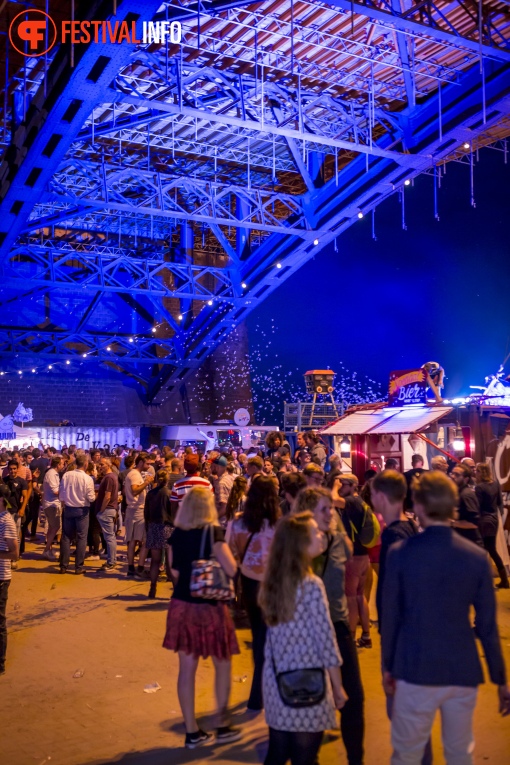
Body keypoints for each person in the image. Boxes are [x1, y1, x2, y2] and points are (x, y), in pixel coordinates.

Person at [381, 471, 510, 764]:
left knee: (407, 753)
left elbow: (391, 617)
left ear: (420, 507)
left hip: (414, 667)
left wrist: (388, 666)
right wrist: (500, 679)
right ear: (452, 506)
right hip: (461, 667)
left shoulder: (401, 553)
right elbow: (487, 626)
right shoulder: (476, 557)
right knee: (459, 752)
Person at [259, 512, 347, 765]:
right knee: (305, 757)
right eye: (315, 532)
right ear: (301, 544)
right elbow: (326, 641)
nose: (322, 534)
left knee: (277, 751)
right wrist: (338, 686)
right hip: (308, 685)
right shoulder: (311, 585)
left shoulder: (274, 581)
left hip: (276, 682)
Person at [163, 486, 241, 749]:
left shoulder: (177, 535)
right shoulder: (214, 533)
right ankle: (221, 722)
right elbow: (230, 567)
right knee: (222, 663)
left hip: (182, 605)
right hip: (210, 608)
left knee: (186, 670)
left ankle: (191, 731)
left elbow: (173, 570)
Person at [296, 487, 365, 765]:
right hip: (305, 634)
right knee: (312, 705)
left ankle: (355, 760)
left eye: (332, 508)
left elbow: (346, 566)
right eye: (324, 509)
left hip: (337, 626)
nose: (332, 513)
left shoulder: (338, 540)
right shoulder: (293, 544)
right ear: (307, 514)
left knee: (353, 699)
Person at [370, 471, 431, 765]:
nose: (371, 500)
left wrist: (391, 659)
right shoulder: (409, 526)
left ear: (381, 496)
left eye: (372, 495)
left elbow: (393, 597)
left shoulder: (394, 534)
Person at [229, 475, 280, 711]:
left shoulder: (238, 523)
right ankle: (266, 690)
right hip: (273, 584)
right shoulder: (280, 524)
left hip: (249, 584)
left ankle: (257, 693)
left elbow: (233, 554)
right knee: (273, 638)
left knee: (259, 635)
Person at [339, 474, 376, 648]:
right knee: (360, 596)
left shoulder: (352, 502)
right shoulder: (361, 501)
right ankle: (366, 636)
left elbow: (331, 499)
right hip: (363, 555)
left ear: (352, 485)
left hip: (352, 558)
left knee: (351, 597)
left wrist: (332, 486)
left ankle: (351, 638)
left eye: (342, 484)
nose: (339, 487)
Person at [58, 454, 96, 575]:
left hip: (69, 508)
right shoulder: (87, 479)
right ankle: (78, 566)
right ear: (85, 464)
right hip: (82, 510)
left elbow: (62, 494)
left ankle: (63, 565)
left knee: (66, 537)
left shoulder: (66, 475)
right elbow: (91, 498)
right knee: (81, 538)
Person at [475, 462, 509, 589]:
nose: (475, 473)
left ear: (481, 472)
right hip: (493, 519)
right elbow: (499, 502)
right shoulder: (495, 484)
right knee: (492, 550)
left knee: (482, 550)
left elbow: (477, 506)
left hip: (483, 520)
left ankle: (484, 582)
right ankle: (504, 579)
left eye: (477, 471)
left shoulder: (479, 488)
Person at [124, 454, 154, 579]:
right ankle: (139, 568)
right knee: (145, 540)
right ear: (141, 462)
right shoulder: (135, 475)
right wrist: (147, 482)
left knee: (132, 541)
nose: (149, 466)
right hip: (137, 510)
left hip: (132, 510)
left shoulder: (132, 474)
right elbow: (135, 490)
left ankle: (131, 568)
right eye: (147, 463)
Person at [145, 469, 173, 598]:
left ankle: (152, 587)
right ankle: (175, 589)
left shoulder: (150, 494)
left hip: (153, 526)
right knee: (170, 561)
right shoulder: (169, 494)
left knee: (155, 561)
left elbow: (146, 513)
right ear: (167, 480)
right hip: (167, 527)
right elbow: (172, 512)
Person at [0, 484, 19, 675]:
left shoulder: (7, 522)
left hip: (1, 578)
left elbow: (14, 554)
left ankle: (1, 662)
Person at [449, 463, 484, 547]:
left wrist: (451, 523)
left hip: (471, 546)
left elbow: (474, 523)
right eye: (452, 473)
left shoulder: (466, 494)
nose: (453, 476)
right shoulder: (457, 492)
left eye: (457, 475)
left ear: (466, 479)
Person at [95, 458, 119, 571]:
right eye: (99, 464)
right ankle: (112, 560)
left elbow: (107, 496)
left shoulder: (109, 478)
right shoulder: (111, 477)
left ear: (108, 465)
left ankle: (111, 562)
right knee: (110, 537)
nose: (100, 466)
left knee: (109, 537)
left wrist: (101, 510)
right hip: (109, 510)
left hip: (107, 510)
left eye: (102, 464)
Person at [4, 460, 29, 568]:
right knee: (5, 536)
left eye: (14, 469)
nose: (12, 471)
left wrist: (22, 509)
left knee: (16, 535)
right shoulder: (4, 481)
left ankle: (15, 557)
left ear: (17, 469)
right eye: (10, 469)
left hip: (16, 511)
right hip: (5, 512)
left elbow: (25, 496)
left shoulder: (21, 481)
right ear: (8, 469)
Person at [41, 455, 63, 561]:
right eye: (62, 463)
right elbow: (55, 491)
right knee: (55, 527)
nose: (63, 465)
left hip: (52, 504)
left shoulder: (54, 474)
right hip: (51, 505)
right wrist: (66, 494)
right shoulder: (51, 474)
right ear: (58, 464)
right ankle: (46, 550)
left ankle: (48, 550)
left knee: (52, 528)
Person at [212, 455, 235, 520]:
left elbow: (224, 508)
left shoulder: (222, 483)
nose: (212, 467)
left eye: (214, 466)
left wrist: (213, 520)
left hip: (222, 523)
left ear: (218, 467)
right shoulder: (231, 478)